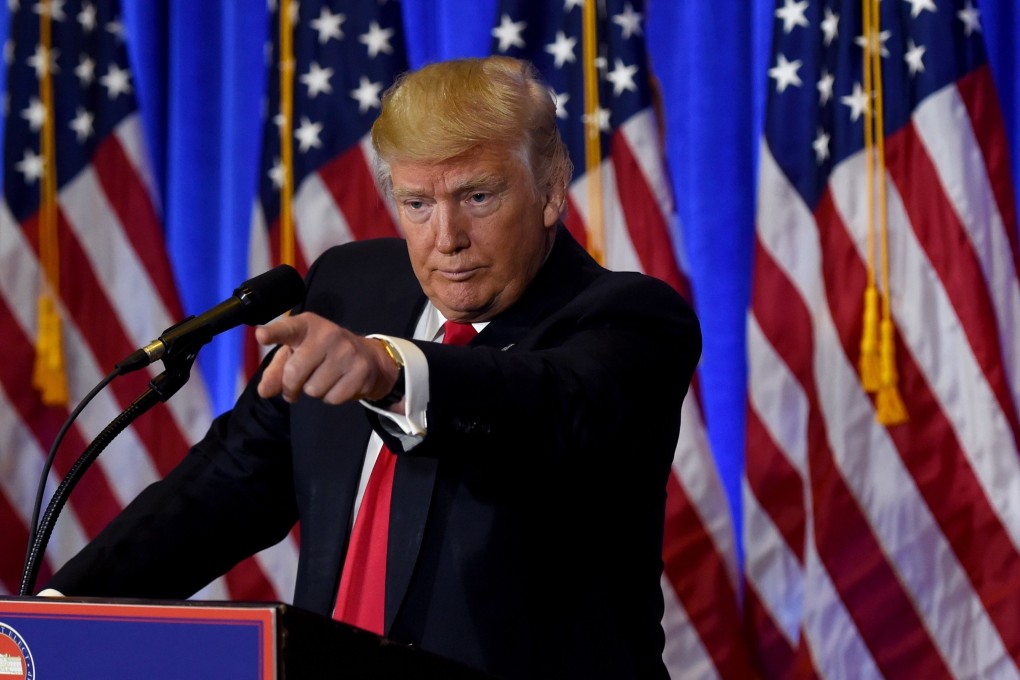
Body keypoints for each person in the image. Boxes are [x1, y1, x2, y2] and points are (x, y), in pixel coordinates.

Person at [46, 56, 701, 679]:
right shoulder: (351, 292)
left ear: (551, 190)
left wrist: (392, 371)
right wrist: (58, 616)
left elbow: (545, 403)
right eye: (417, 203)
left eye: (478, 197)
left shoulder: (629, 322)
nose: (446, 237)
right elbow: (226, 486)